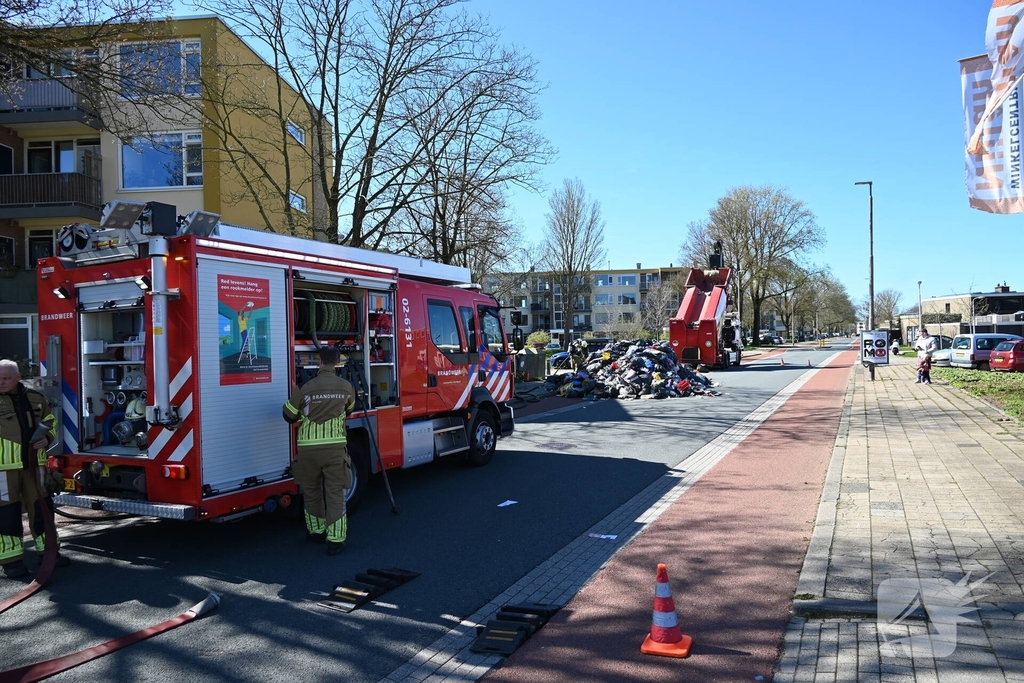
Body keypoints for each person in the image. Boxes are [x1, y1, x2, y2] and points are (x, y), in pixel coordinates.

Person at [282, 346, 356, 556]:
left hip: (308, 451)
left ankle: (316, 532)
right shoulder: (346, 386)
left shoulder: (306, 388)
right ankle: (335, 540)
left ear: (320, 362)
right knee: (335, 494)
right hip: (334, 450)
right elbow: (350, 410)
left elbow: (289, 415)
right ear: (337, 363)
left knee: (312, 492)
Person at [0, 359, 69, 579]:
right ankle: (11, 561)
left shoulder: (36, 398)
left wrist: (47, 437)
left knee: (42, 509)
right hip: (3, 469)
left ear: (18, 377)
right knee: (6, 514)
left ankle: (49, 553)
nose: (1, 382)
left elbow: (50, 421)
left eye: (6, 378)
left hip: (34, 465)